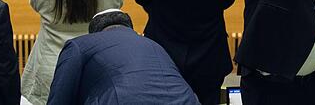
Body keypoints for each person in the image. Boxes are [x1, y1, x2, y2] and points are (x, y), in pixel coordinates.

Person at [47, 9, 200, 105]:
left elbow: (59, 98)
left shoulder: (80, 44)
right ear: (129, 28)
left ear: (94, 32)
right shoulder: (153, 44)